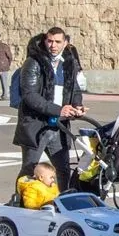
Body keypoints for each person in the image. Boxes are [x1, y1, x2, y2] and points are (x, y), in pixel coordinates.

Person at [14, 26, 86, 190]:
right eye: (49, 41)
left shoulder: (68, 63)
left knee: (63, 169)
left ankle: (61, 203)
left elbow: (74, 89)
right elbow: (30, 95)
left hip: (59, 125)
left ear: (65, 43)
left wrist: (77, 106)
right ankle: (20, 203)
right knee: (29, 168)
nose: (53, 45)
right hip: (36, 124)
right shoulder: (34, 62)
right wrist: (58, 110)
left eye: (57, 42)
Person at [0, 32, 14, 101]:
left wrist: (7, 64)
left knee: (4, 82)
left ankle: (4, 95)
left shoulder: (4, 46)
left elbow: (10, 57)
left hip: (3, 66)